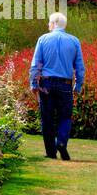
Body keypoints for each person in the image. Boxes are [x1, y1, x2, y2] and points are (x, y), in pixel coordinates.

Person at [29, 11, 85, 160]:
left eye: (49, 23)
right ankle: (61, 142)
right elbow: (79, 66)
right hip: (65, 84)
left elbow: (36, 64)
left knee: (47, 118)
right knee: (65, 116)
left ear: (53, 24)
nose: (48, 25)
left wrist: (34, 83)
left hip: (46, 83)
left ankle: (51, 152)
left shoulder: (43, 39)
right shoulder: (74, 41)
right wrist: (78, 85)